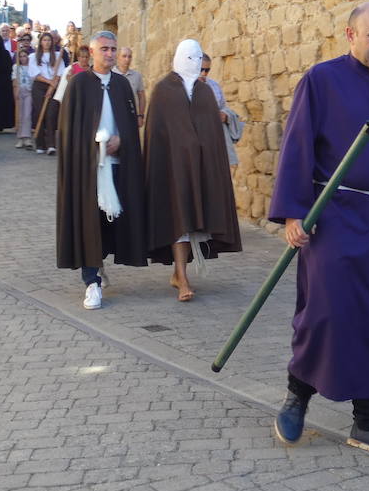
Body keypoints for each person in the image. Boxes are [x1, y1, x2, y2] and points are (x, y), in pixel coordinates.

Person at [270, 2, 369, 464]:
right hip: (333, 214)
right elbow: (297, 145)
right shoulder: (321, 81)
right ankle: (297, 397)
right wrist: (293, 214)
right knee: (326, 311)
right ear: (350, 35)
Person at [56, 30, 149, 311]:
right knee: (90, 222)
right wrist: (92, 147)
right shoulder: (78, 84)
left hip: (118, 164)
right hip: (88, 169)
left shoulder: (122, 85)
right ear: (93, 53)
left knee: (113, 222)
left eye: (113, 49)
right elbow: (68, 131)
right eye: (104, 49)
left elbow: (130, 126)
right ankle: (92, 282)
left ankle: (100, 263)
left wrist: (121, 141)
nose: (109, 54)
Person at [145, 40, 243, 301]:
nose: (195, 63)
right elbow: (157, 133)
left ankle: (179, 273)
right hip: (173, 168)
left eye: (198, 58)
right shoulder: (163, 90)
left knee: (192, 221)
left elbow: (212, 132)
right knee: (179, 220)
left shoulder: (205, 92)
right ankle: (182, 278)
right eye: (189, 57)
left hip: (201, 168)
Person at [199, 53, 240, 170]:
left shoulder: (214, 86)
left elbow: (223, 107)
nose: (204, 73)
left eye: (207, 70)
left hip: (216, 138)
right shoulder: (184, 87)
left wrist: (226, 116)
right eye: (201, 69)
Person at [31, 31, 62, 155]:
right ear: (40, 42)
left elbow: (59, 73)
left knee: (51, 114)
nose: (47, 42)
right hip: (40, 86)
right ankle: (40, 144)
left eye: (49, 40)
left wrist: (52, 86)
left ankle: (51, 144)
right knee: (40, 113)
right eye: (44, 40)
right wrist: (49, 82)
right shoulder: (33, 56)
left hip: (54, 86)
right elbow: (35, 74)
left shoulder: (58, 55)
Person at [114, 46, 146, 128]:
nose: (127, 59)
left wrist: (140, 115)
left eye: (129, 56)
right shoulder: (110, 74)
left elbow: (142, 96)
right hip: (114, 117)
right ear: (118, 57)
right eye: (124, 56)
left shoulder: (136, 75)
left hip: (131, 117)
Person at [13, 49, 35, 150]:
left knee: (27, 115)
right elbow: (14, 79)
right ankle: (20, 138)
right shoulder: (16, 67)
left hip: (29, 91)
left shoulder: (31, 67)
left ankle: (27, 137)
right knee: (20, 114)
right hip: (19, 91)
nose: (23, 58)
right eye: (20, 56)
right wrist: (15, 90)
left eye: (24, 56)